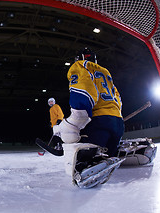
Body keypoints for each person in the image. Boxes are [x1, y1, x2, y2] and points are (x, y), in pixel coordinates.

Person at [53, 47, 124, 188]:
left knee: (81, 157)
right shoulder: (106, 72)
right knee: (108, 154)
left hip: (99, 123)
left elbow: (84, 91)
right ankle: (109, 156)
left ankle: (87, 164)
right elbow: (118, 99)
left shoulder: (81, 65)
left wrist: (74, 122)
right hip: (118, 122)